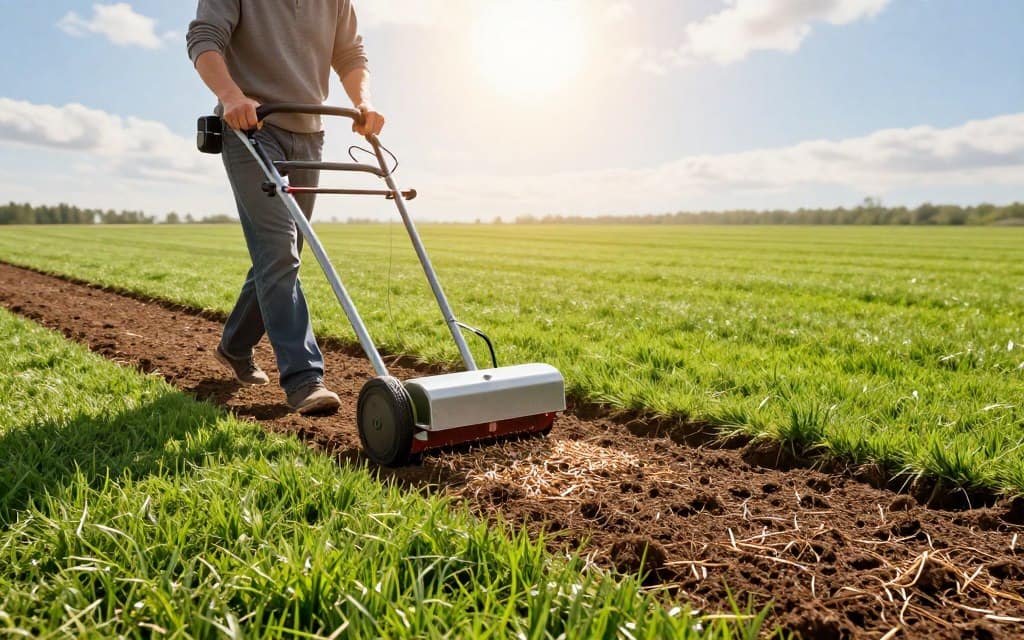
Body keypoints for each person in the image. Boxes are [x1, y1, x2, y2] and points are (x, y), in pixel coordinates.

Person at [186, 1, 385, 414]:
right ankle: (304, 379)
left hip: (310, 133)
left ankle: (235, 346)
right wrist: (231, 95)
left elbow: (350, 55)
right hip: (250, 128)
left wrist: (362, 101)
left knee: (283, 252)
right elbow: (204, 39)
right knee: (278, 250)